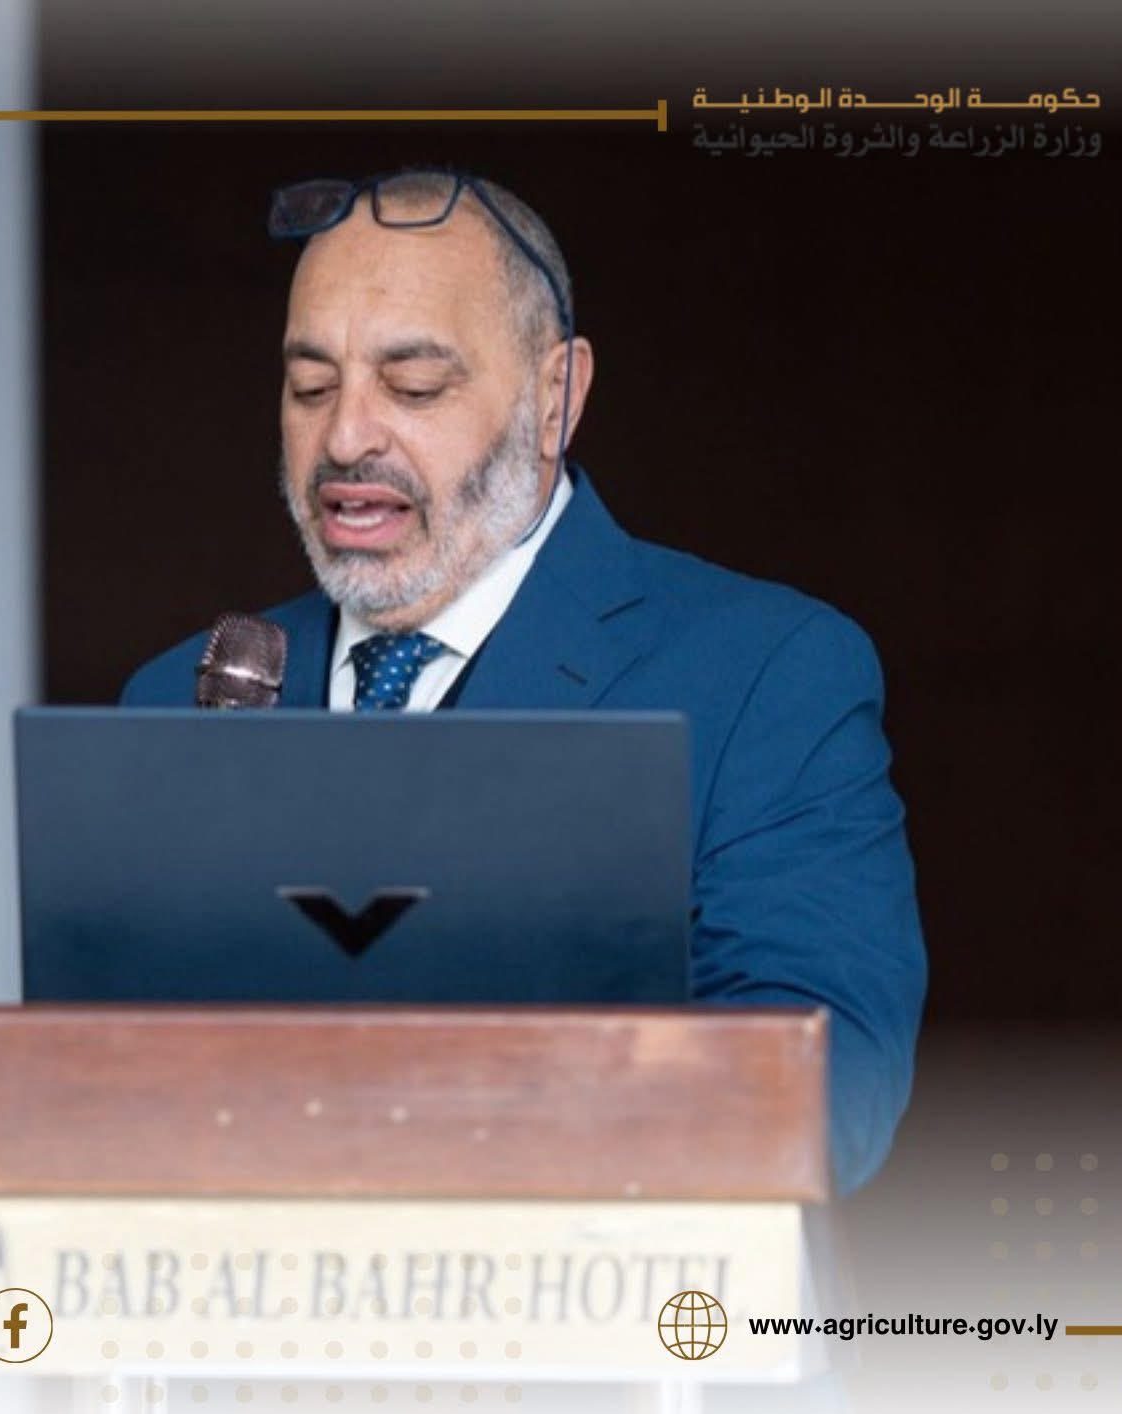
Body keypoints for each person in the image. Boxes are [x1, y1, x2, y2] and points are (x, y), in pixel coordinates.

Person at [121, 168, 926, 1193]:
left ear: (555, 399)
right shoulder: (177, 697)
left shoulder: (765, 675)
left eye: (414, 386)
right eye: (311, 386)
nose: (345, 437)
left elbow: (823, 1093)